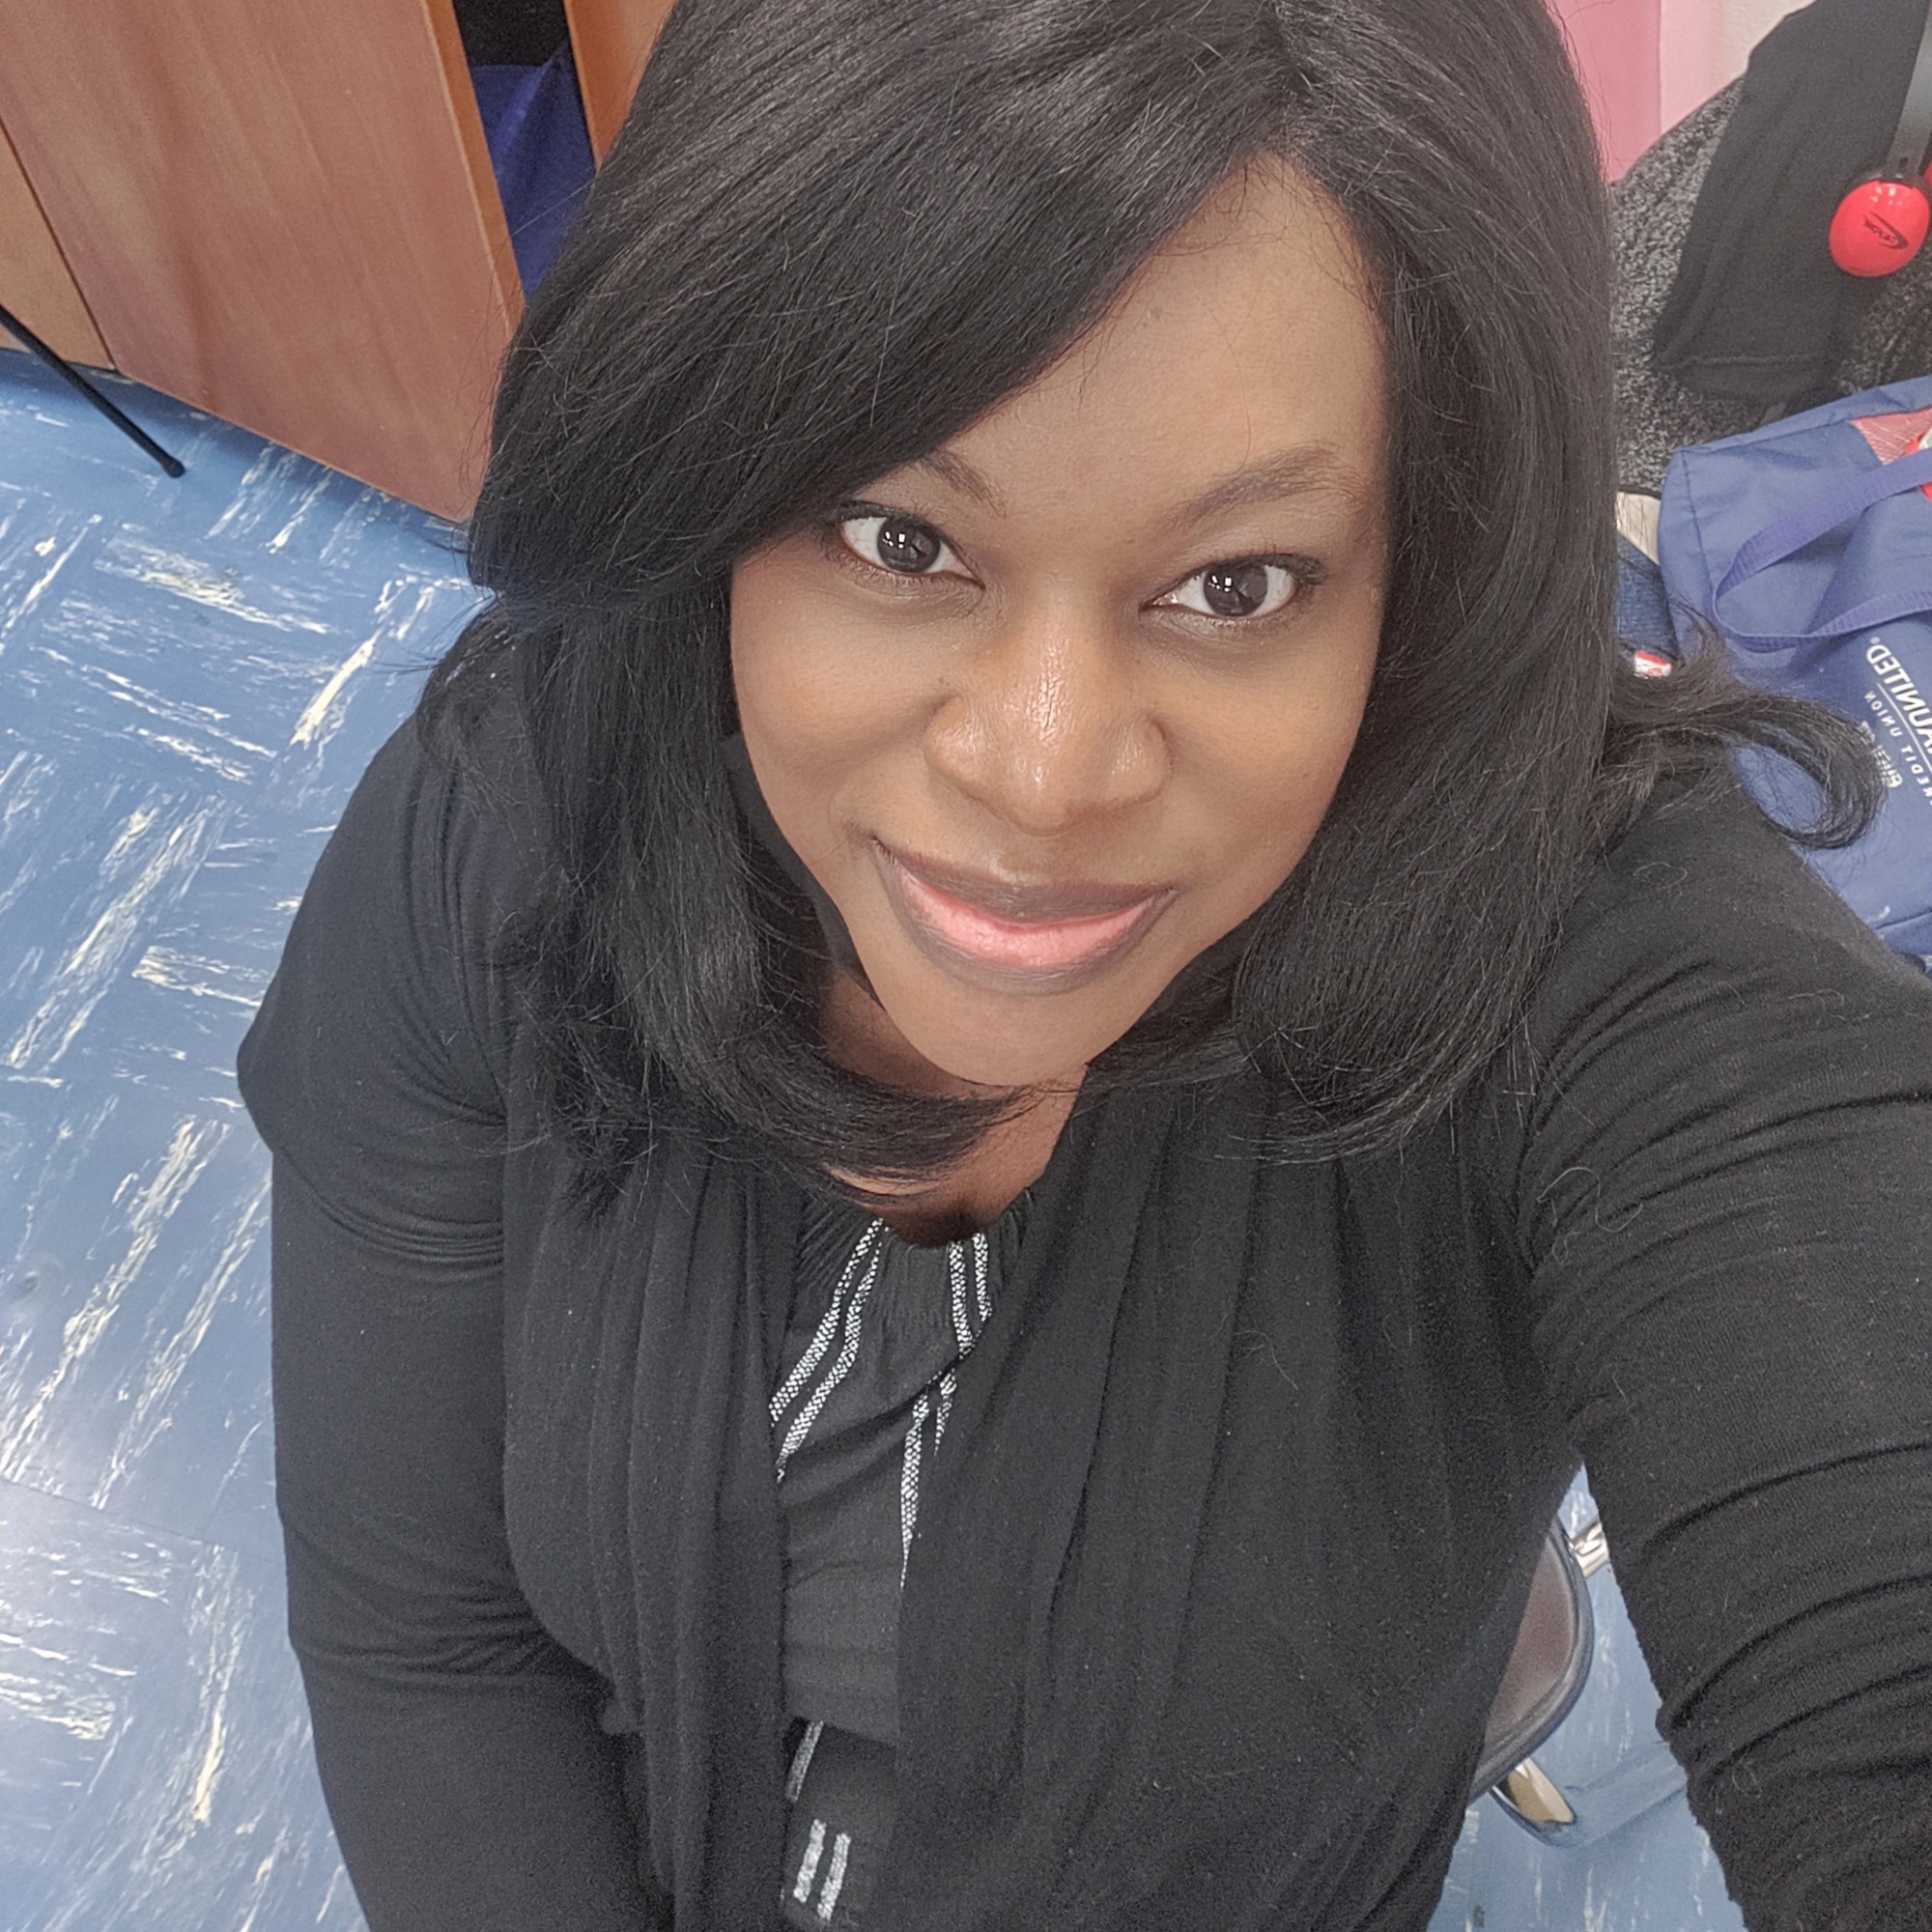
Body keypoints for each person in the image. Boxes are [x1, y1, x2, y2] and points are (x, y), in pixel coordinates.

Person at [236, 0, 1932, 1926]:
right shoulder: (524, 809)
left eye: (1235, 583)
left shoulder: (1595, 962)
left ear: (1433, 566)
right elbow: (425, 1640)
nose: (1042, 776)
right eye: (899, 539)